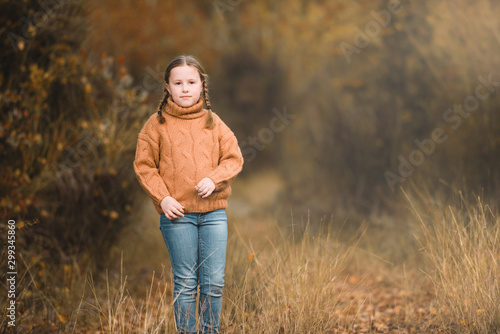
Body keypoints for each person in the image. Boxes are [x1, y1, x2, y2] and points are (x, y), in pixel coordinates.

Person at [133, 55, 244, 333]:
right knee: (185, 282)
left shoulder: (213, 122)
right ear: (167, 87)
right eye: (178, 82)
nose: (185, 88)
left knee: (213, 282)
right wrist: (163, 197)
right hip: (177, 215)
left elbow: (233, 158)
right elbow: (144, 166)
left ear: (201, 86)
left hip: (214, 215)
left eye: (191, 82)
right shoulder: (155, 125)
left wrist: (214, 178)